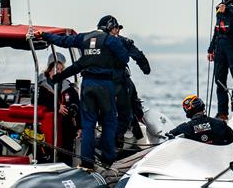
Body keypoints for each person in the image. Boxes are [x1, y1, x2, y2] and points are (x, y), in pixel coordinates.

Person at [36, 15, 129, 169]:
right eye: (114, 28)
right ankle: (108, 159)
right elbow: (124, 58)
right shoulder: (112, 40)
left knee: (88, 124)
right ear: (109, 27)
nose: (115, 32)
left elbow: (63, 41)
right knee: (109, 121)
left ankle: (87, 162)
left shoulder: (84, 37)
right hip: (105, 84)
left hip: (87, 84)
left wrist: (44, 35)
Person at [108, 25, 151, 148]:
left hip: (104, 82)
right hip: (118, 82)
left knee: (131, 106)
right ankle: (116, 142)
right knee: (125, 113)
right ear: (111, 29)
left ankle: (134, 138)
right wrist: (145, 69)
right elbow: (138, 55)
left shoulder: (98, 41)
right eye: (116, 28)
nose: (118, 31)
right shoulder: (122, 41)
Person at [36, 52, 81, 163]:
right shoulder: (42, 86)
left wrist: (80, 127)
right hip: (46, 126)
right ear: (50, 68)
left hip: (66, 125)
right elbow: (38, 101)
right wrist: (56, 107)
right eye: (57, 69)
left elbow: (77, 106)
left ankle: (66, 167)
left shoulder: (68, 87)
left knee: (67, 151)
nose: (59, 72)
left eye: (61, 69)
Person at [166, 95, 233, 146]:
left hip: (197, 163)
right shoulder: (219, 123)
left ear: (187, 111)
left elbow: (170, 135)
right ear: (202, 106)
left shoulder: (184, 128)